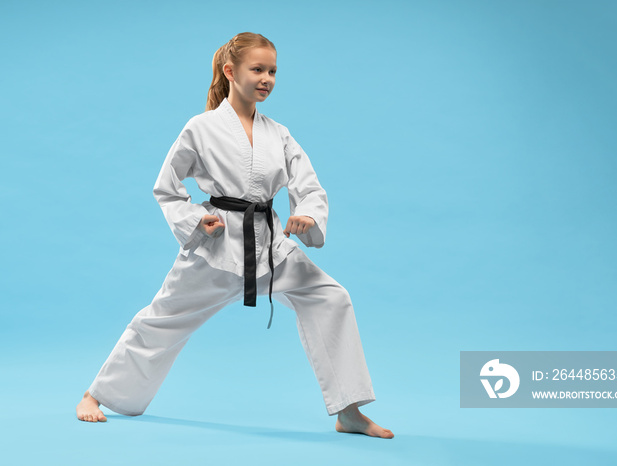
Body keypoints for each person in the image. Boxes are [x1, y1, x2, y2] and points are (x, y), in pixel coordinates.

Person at [76, 32, 393, 439]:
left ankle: (348, 411)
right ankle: (95, 394)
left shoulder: (278, 133)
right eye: (257, 69)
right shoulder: (201, 128)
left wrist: (308, 218)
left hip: (270, 245)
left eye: (273, 71)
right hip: (218, 246)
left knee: (331, 297)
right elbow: (167, 188)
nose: (267, 78)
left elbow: (309, 187)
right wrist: (194, 220)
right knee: (162, 318)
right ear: (231, 71)